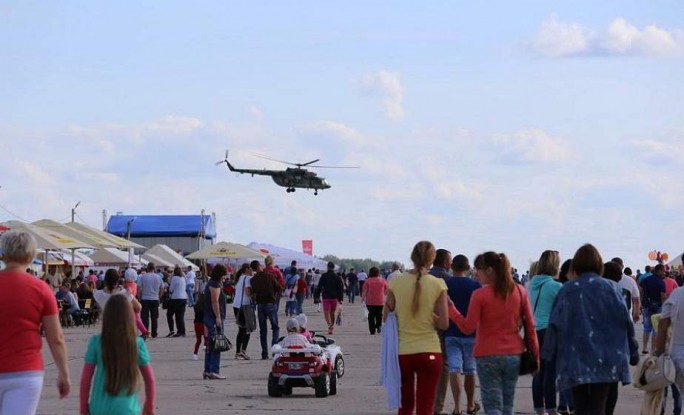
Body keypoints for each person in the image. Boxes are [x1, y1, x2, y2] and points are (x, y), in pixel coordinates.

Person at [543, 244, 638, 415]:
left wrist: (547, 355)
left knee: (580, 405)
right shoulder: (612, 289)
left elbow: (554, 323)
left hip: (575, 357)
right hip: (606, 358)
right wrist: (633, 350)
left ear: (576, 265)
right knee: (598, 405)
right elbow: (626, 321)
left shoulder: (568, 290)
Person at [449, 251, 539, 415]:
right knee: (507, 404)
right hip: (513, 354)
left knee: (492, 404)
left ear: (489, 270)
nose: (476, 273)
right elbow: (531, 327)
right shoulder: (519, 292)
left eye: (479, 269)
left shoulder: (479, 295)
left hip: (487, 354)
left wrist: (452, 310)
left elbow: (468, 327)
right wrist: (536, 356)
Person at [0, 230, 71, 414]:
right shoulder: (41, 289)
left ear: (3, 253)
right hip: (25, 372)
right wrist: (64, 373)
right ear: (31, 255)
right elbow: (56, 337)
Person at [383, 241, 449, 415]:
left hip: (404, 353)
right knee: (425, 407)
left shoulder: (396, 282)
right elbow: (444, 323)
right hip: (431, 352)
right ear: (432, 260)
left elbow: (385, 317)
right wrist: (431, 318)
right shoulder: (438, 284)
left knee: (405, 406)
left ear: (412, 257)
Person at [79, 294, 156, 415]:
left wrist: (83, 407)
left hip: (99, 408)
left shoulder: (96, 342)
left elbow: (85, 380)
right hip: (127, 409)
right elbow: (150, 379)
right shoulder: (137, 344)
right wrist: (149, 405)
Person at [444, 254, 482, 415]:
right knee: (470, 370)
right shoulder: (476, 285)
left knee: (454, 369)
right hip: (472, 334)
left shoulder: (445, 284)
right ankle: (471, 405)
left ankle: (457, 407)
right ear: (468, 268)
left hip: (451, 332)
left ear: (452, 267)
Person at [529, 250, 563, 415]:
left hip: (533, 331)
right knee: (550, 373)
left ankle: (539, 408)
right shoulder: (556, 286)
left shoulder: (530, 284)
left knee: (538, 372)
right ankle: (551, 408)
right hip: (549, 331)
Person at [429, 248, 452, 415]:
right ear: (445, 262)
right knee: (443, 365)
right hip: (441, 327)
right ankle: (437, 407)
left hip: (423, 327)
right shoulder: (447, 279)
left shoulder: (424, 276)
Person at [94, 269, 148, 338]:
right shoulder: (125, 292)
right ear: (118, 280)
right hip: (124, 328)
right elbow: (138, 307)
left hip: (106, 328)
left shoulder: (97, 294)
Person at [250, 260, 282, 360]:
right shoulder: (270, 276)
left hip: (260, 305)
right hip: (271, 304)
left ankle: (264, 353)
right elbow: (278, 288)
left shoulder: (253, 280)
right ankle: (274, 351)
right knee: (275, 328)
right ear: (260, 266)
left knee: (263, 330)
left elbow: (253, 292)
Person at [203, 264, 228, 380]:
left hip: (208, 316)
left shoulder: (211, 283)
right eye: (223, 275)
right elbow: (215, 301)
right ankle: (214, 370)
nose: (224, 277)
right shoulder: (215, 284)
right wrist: (218, 317)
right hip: (213, 318)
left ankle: (207, 370)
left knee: (210, 344)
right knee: (217, 344)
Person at [641, 264, 667, 354]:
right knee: (656, 329)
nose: (665, 273)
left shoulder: (646, 280)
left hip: (647, 306)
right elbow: (663, 296)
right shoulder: (661, 282)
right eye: (663, 271)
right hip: (658, 306)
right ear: (658, 270)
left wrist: (642, 302)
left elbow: (641, 290)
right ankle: (653, 349)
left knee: (647, 328)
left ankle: (644, 348)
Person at [316, 261, 345, 335]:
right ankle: (332, 326)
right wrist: (340, 299)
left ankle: (330, 326)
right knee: (332, 312)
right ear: (334, 268)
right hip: (334, 297)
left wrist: (316, 296)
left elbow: (319, 287)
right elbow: (340, 289)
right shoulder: (337, 277)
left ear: (327, 267)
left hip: (326, 297)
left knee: (326, 313)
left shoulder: (324, 276)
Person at [232, 263, 253, 360]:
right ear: (247, 269)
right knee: (247, 329)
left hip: (236, 305)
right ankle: (243, 351)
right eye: (251, 269)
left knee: (241, 329)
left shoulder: (239, 278)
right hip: (245, 305)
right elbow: (248, 292)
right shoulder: (248, 278)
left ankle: (237, 352)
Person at [138, 263, 164, 338]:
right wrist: (159, 296)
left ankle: (145, 332)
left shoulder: (143, 277)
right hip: (155, 298)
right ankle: (154, 333)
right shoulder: (158, 277)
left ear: (147, 268)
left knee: (145, 317)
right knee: (154, 317)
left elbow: (139, 288)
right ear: (154, 268)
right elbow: (162, 288)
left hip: (145, 299)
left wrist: (139, 297)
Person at [612, 257, 640, 322]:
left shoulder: (604, 280)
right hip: (626, 318)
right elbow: (636, 300)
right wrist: (636, 313)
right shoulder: (630, 280)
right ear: (622, 266)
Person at [362, 266, 388, 335]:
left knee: (371, 316)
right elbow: (386, 290)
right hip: (380, 301)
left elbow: (365, 291)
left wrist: (363, 298)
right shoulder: (383, 280)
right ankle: (379, 326)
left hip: (370, 301)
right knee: (379, 315)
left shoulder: (367, 281)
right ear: (378, 273)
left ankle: (372, 330)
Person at [166, 266, 188, 338]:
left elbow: (171, 289)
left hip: (176, 298)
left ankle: (174, 330)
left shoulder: (174, 278)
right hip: (184, 297)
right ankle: (182, 331)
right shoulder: (183, 278)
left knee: (170, 314)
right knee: (181, 315)